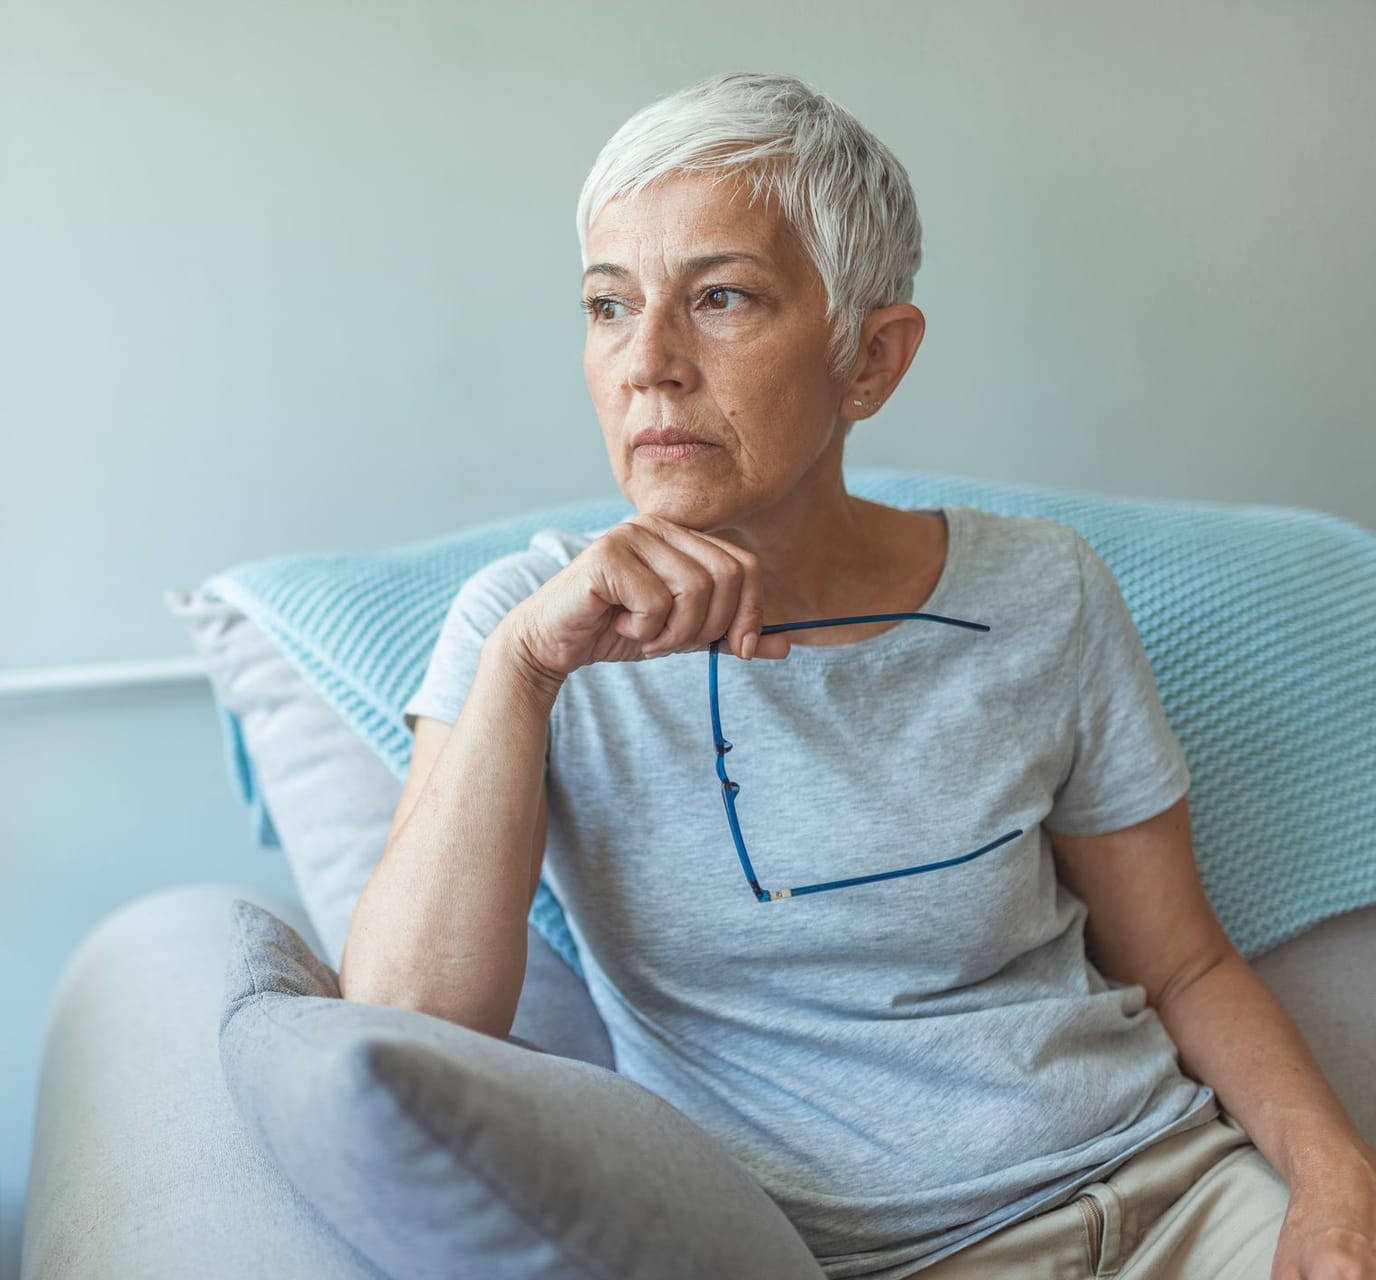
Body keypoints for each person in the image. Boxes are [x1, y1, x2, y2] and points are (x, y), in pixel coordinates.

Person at [338, 72, 1376, 1279]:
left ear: (870, 358)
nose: (649, 363)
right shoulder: (523, 629)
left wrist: (1337, 1181)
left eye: (720, 296)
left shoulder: (1045, 591)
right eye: (609, 305)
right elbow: (407, 1028)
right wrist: (525, 669)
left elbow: (1186, 959)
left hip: (1179, 1192)